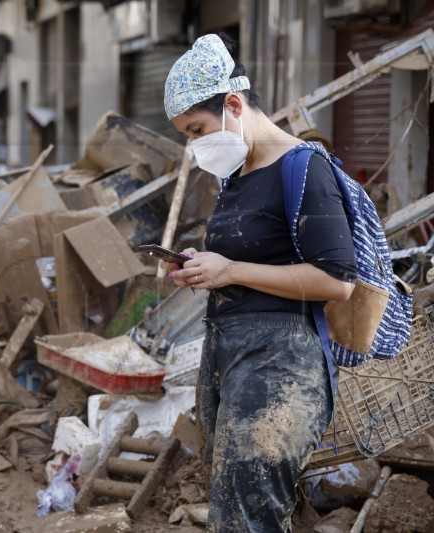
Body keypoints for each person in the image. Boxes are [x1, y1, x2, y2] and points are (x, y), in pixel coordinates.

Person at [161, 33, 357, 531]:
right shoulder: (239, 173)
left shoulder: (305, 169)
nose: (195, 144)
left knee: (245, 517)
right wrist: (200, 264)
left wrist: (229, 270)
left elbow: (338, 281)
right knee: (240, 513)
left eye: (197, 129)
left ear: (233, 104)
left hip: (283, 369)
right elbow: (246, 256)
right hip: (234, 360)